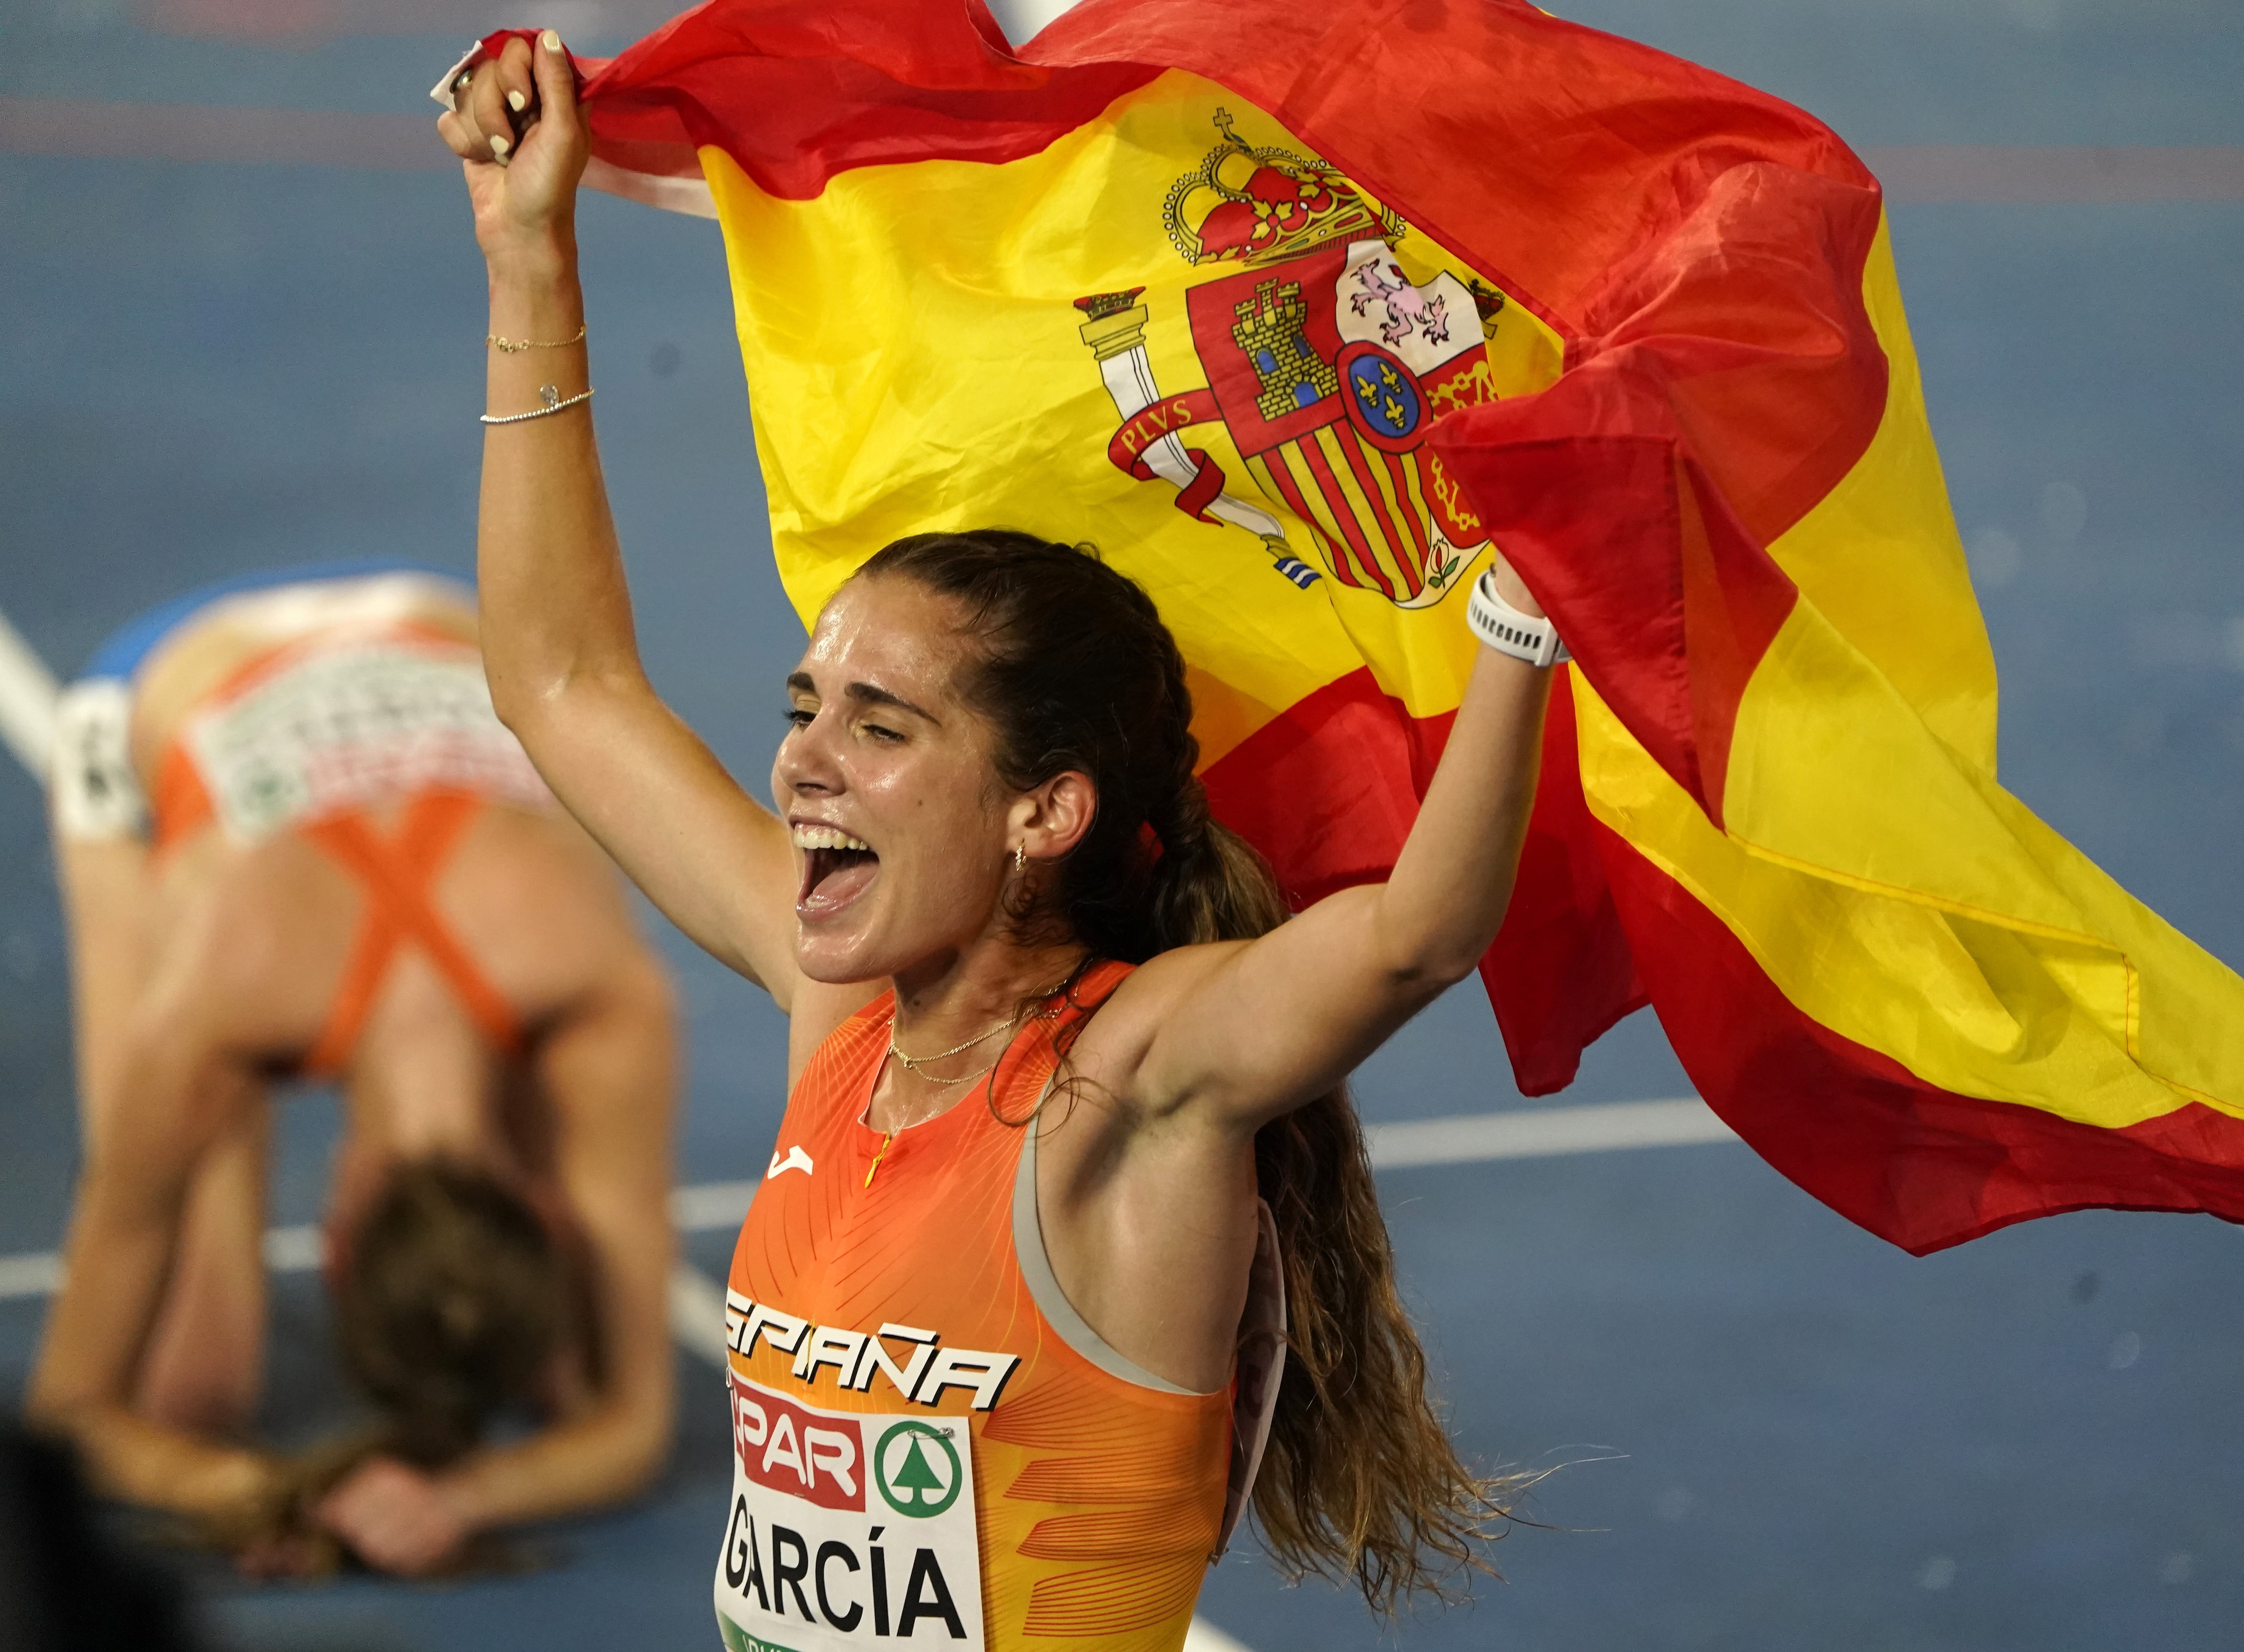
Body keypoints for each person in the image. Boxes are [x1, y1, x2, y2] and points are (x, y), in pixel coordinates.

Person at [439, 32, 1563, 1645]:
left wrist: (1523, 617)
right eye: (806, 703)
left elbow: (1413, 936)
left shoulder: (1138, 1081)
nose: (801, 764)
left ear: (1047, 809)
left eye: (879, 729)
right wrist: (528, 254)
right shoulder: (844, 1022)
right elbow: (560, 683)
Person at [25, 562, 680, 1578]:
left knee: (552, 1360)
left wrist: (267, 1494)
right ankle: (216, 1137)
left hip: (423, 633)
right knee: (191, 1383)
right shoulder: (218, 1008)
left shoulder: (594, 982)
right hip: (159, 688)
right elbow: (625, 1423)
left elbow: (75, 1410)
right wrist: (390, 1496)